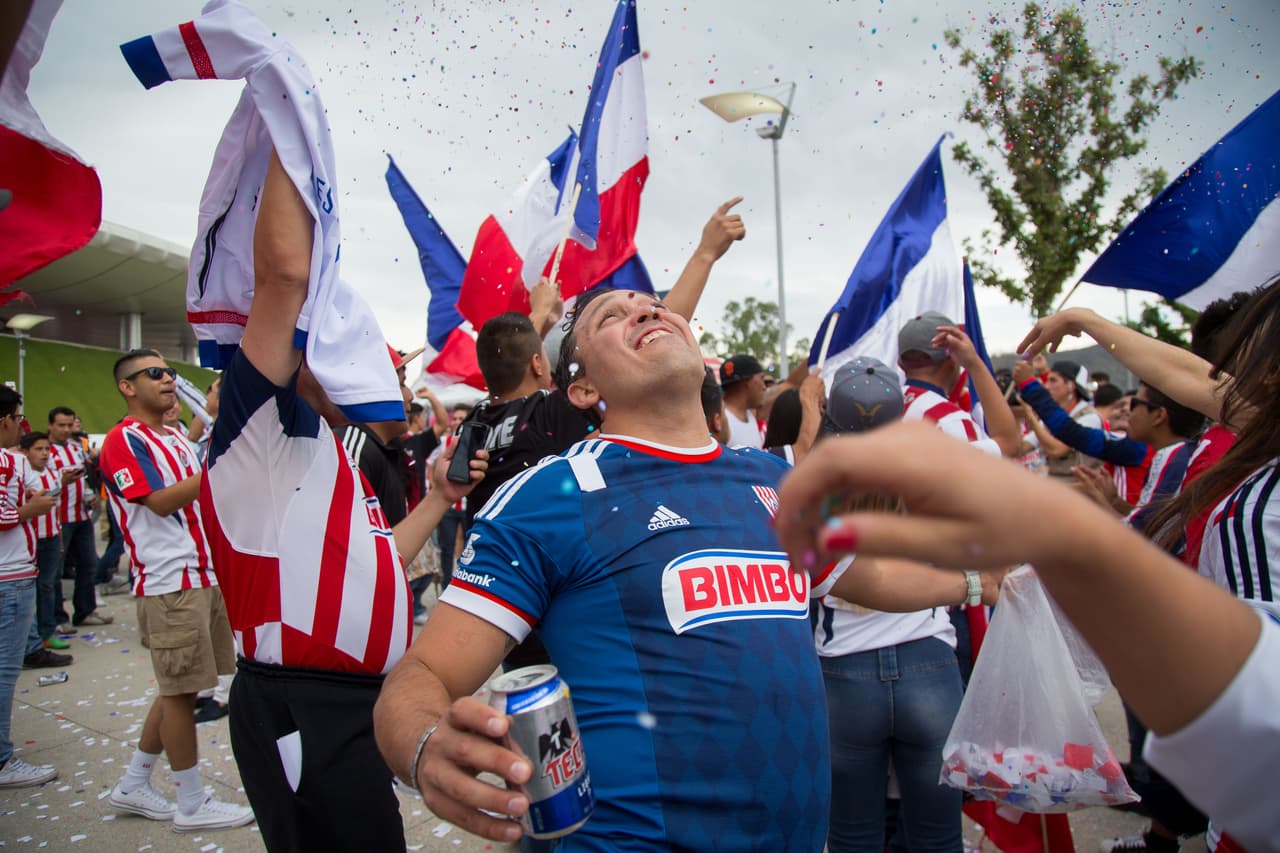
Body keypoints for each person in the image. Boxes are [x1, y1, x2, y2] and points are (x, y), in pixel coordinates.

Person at [375, 285, 847, 850]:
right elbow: (420, 675)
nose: (646, 310)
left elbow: (874, 579)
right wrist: (426, 747)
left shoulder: (775, 479)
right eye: (610, 316)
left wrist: (974, 577)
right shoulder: (550, 497)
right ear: (582, 388)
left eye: (651, 304)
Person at [774, 420, 1278, 851]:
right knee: (937, 833)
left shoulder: (811, 489)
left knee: (853, 835)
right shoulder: (931, 481)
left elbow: (839, 578)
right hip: (929, 669)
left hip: (845, 672)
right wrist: (983, 581)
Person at [196, 149, 487, 852]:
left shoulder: (329, 446)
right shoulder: (264, 432)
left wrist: (443, 496)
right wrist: (289, 136)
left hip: (353, 704)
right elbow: (286, 277)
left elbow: (376, 559)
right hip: (302, 703)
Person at [97, 349, 252, 831]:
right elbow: (161, 502)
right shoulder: (123, 441)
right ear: (127, 386)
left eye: (170, 373)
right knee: (180, 690)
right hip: (170, 579)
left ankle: (134, 782)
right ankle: (191, 802)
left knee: (178, 689)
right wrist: (216, 473)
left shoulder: (174, 437)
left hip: (203, 574)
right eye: (155, 374)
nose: (168, 380)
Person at [0, 386, 61, 788]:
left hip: (12, 575)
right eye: (18, 419)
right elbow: (6, 516)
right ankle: (3, 760)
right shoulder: (5, 462)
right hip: (8, 576)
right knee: (5, 672)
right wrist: (32, 508)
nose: (21, 427)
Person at [895, 313, 1014, 458]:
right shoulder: (950, 421)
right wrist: (974, 363)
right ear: (953, 360)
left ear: (900, 364)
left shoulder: (879, 407)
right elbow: (1009, 445)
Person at [47, 406, 117, 625]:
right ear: (51, 425)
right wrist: (61, 481)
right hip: (58, 519)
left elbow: (84, 479)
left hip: (82, 516)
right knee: (54, 572)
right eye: (61, 425)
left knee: (88, 565)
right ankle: (56, 618)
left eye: (70, 425)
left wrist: (89, 495)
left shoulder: (76, 448)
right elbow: (37, 482)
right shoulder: (44, 451)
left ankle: (85, 612)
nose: (66, 430)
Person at [18, 432, 71, 655]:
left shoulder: (52, 474)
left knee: (48, 585)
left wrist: (58, 537)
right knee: (30, 589)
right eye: (38, 449)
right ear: (26, 452)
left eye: (47, 449)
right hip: (31, 539)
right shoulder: (22, 474)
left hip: (50, 536)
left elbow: (55, 509)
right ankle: (29, 638)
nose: (44, 454)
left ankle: (47, 632)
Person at [719, 354, 768, 448]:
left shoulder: (750, 414)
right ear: (747, 382)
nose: (764, 386)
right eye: (761, 378)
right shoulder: (721, 421)